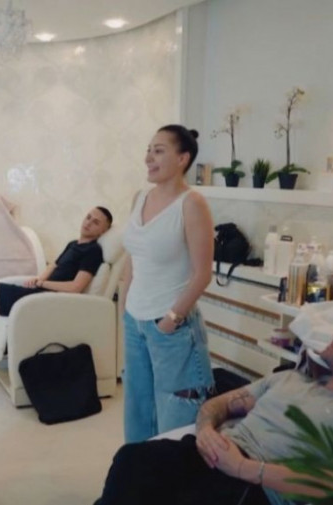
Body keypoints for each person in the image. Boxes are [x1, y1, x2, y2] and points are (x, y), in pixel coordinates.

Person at [94, 312, 333, 505]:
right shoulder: (290, 378)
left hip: (255, 486)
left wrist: (244, 468)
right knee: (132, 460)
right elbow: (219, 404)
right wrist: (205, 431)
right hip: (211, 454)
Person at [120, 125, 215, 443]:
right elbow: (133, 255)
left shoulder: (192, 203)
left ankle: (170, 479)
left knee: (175, 425)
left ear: (182, 159)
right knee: (138, 414)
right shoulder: (140, 198)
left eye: (159, 151)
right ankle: (138, 475)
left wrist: (171, 319)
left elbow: (202, 273)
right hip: (135, 321)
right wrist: (124, 307)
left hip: (172, 327)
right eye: (148, 150)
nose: (148, 158)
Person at [0, 206, 114, 395]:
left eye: (96, 222)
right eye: (88, 217)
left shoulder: (92, 251)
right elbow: (53, 266)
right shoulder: (73, 244)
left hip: (45, 301)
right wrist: (38, 279)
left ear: (103, 231)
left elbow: (76, 287)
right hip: (37, 292)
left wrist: (43, 283)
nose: (88, 222)